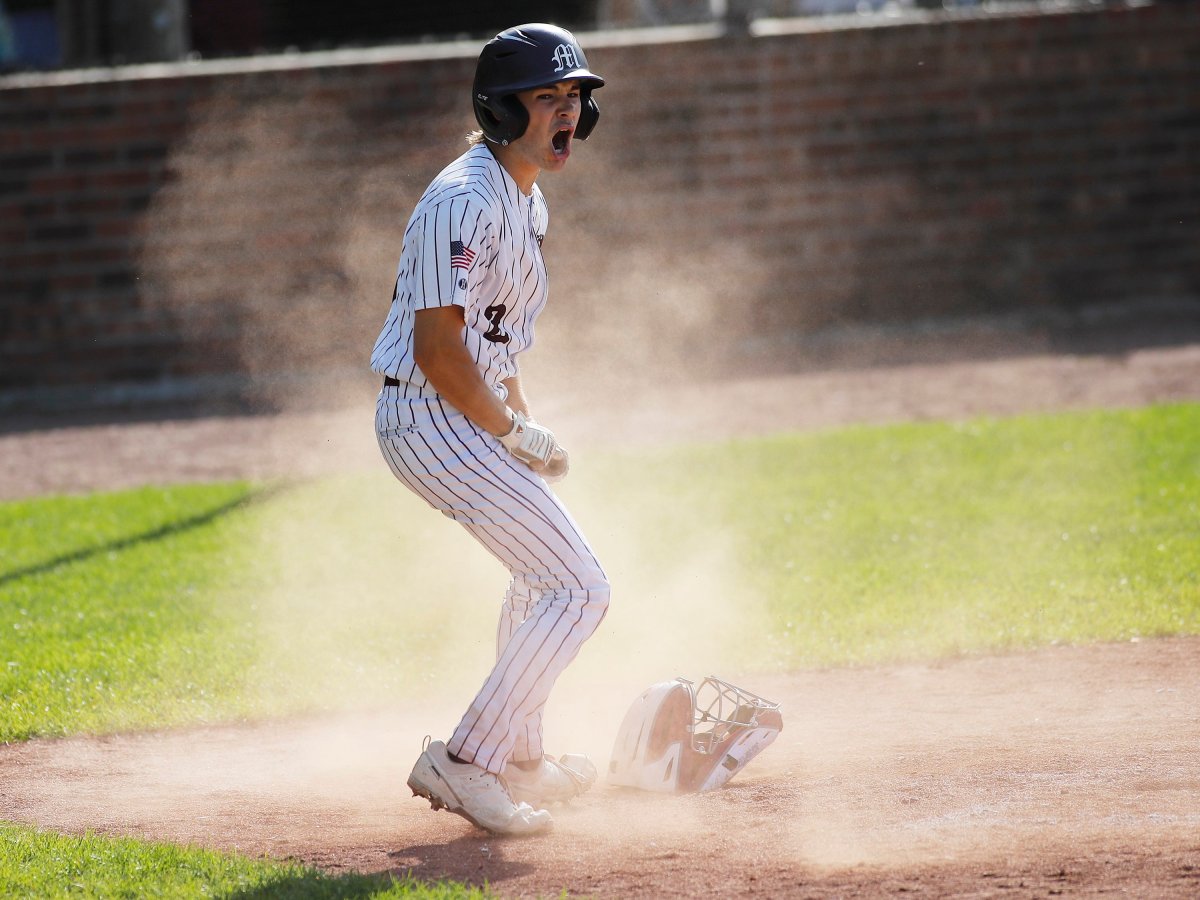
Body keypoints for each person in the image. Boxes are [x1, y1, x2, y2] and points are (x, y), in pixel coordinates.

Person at [370, 23, 610, 836]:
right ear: (503, 110)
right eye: (548, 97)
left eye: (574, 96)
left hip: (459, 418)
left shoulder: (523, 198)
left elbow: (496, 342)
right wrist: (509, 433)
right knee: (581, 587)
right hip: (429, 419)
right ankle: (467, 759)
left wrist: (526, 427)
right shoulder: (462, 199)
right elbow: (439, 352)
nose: (567, 112)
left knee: (541, 577)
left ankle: (519, 757)